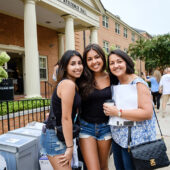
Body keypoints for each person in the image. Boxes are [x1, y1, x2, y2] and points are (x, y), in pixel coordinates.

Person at [103, 49, 156, 170]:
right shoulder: (117, 84)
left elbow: (147, 113)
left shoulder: (138, 83)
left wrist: (118, 112)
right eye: (112, 63)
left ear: (127, 62)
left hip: (136, 142)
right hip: (118, 140)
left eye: (119, 61)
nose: (115, 65)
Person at [40, 50, 83, 170]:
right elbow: (66, 118)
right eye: (73, 64)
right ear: (65, 67)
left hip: (55, 135)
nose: (78, 67)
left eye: (80, 63)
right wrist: (70, 147)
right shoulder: (68, 84)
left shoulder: (67, 83)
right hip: (56, 138)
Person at [78, 44, 112, 170]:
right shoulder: (82, 79)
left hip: (106, 127)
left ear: (102, 57)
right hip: (86, 127)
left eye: (97, 57)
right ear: (86, 62)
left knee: (104, 167)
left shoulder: (112, 77)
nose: (94, 62)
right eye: (89, 59)